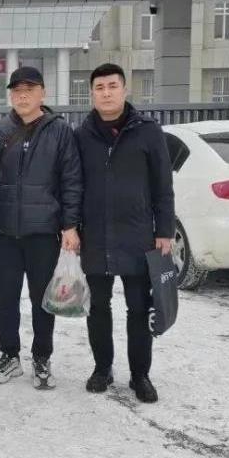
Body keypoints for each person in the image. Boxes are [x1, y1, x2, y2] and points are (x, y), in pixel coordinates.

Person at [74, 62, 174, 404]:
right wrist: (71, 227)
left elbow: (163, 185)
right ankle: (102, 368)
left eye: (112, 86)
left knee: (139, 308)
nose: (106, 93)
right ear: (92, 93)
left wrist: (164, 230)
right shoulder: (82, 135)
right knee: (97, 308)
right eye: (99, 87)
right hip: (95, 237)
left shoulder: (147, 131)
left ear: (124, 89)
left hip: (137, 236)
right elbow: (73, 185)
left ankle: (140, 374)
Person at [0, 66, 82, 389]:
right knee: (5, 298)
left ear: (42, 93)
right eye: (16, 91)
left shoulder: (59, 131)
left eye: (29, 90)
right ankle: (9, 355)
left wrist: (70, 225)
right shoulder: (0, 129)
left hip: (43, 232)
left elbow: (71, 179)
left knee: (42, 300)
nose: (22, 96)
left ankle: (41, 357)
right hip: (5, 232)